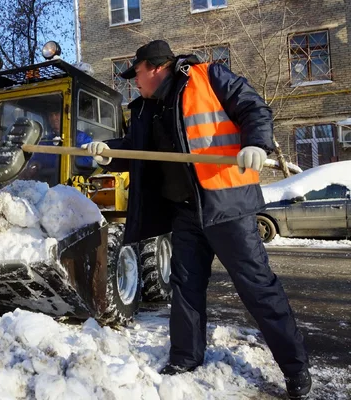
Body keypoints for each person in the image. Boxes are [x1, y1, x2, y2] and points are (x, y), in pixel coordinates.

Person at [81, 40, 311, 399]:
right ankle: (185, 357)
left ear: (156, 67)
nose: (133, 81)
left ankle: (295, 369)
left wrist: (256, 143)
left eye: (136, 73)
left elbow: (253, 109)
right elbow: (139, 153)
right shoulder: (144, 108)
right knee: (185, 288)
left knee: (258, 289)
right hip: (185, 213)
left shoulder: (209, 77)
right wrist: (109, 153)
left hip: (227, 205)